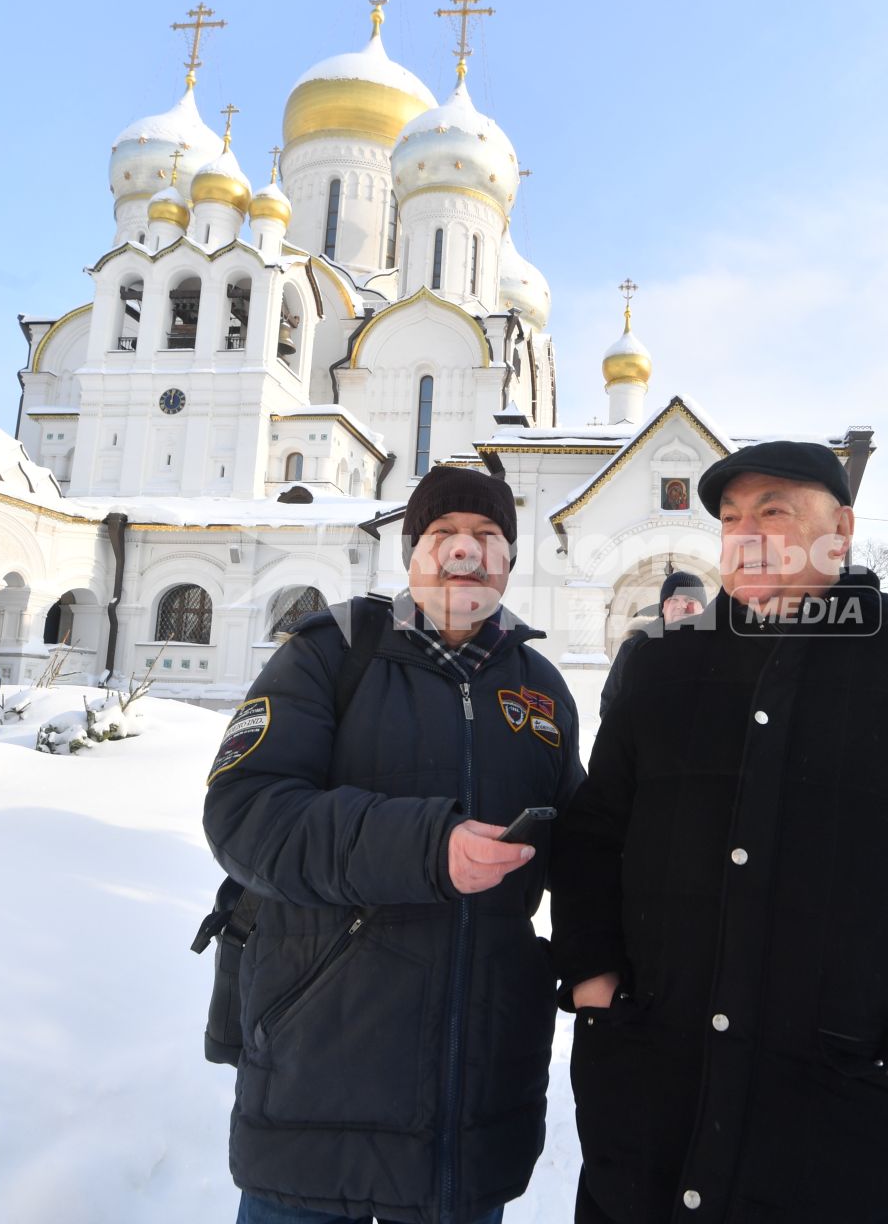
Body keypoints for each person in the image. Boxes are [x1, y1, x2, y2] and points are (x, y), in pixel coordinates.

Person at [551, 440, 888, 1223]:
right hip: (650, 1117)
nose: (745, 533)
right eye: (729, 518)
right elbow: (592, 842)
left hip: (842, 1139)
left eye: (773, 512)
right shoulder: (662, 671)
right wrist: (597, 995)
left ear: (842, 527)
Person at [204, 465, 583, 1224]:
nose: (465, 553)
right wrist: (426, 847)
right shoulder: (329, 655)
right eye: (443, 535)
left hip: (470, 1111)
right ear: (411, 553)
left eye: (487, 537)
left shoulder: (540, 689)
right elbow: (248, 814)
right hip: (320, 1079)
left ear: (510, 559)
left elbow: (583, 848)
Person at [597, 570, 707, 718]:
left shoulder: (720, 650)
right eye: (673, 599)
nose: (681, 605)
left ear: (703, 609)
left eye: (689, 599)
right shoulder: (634, 649)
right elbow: (610, 707)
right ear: (663, 607)